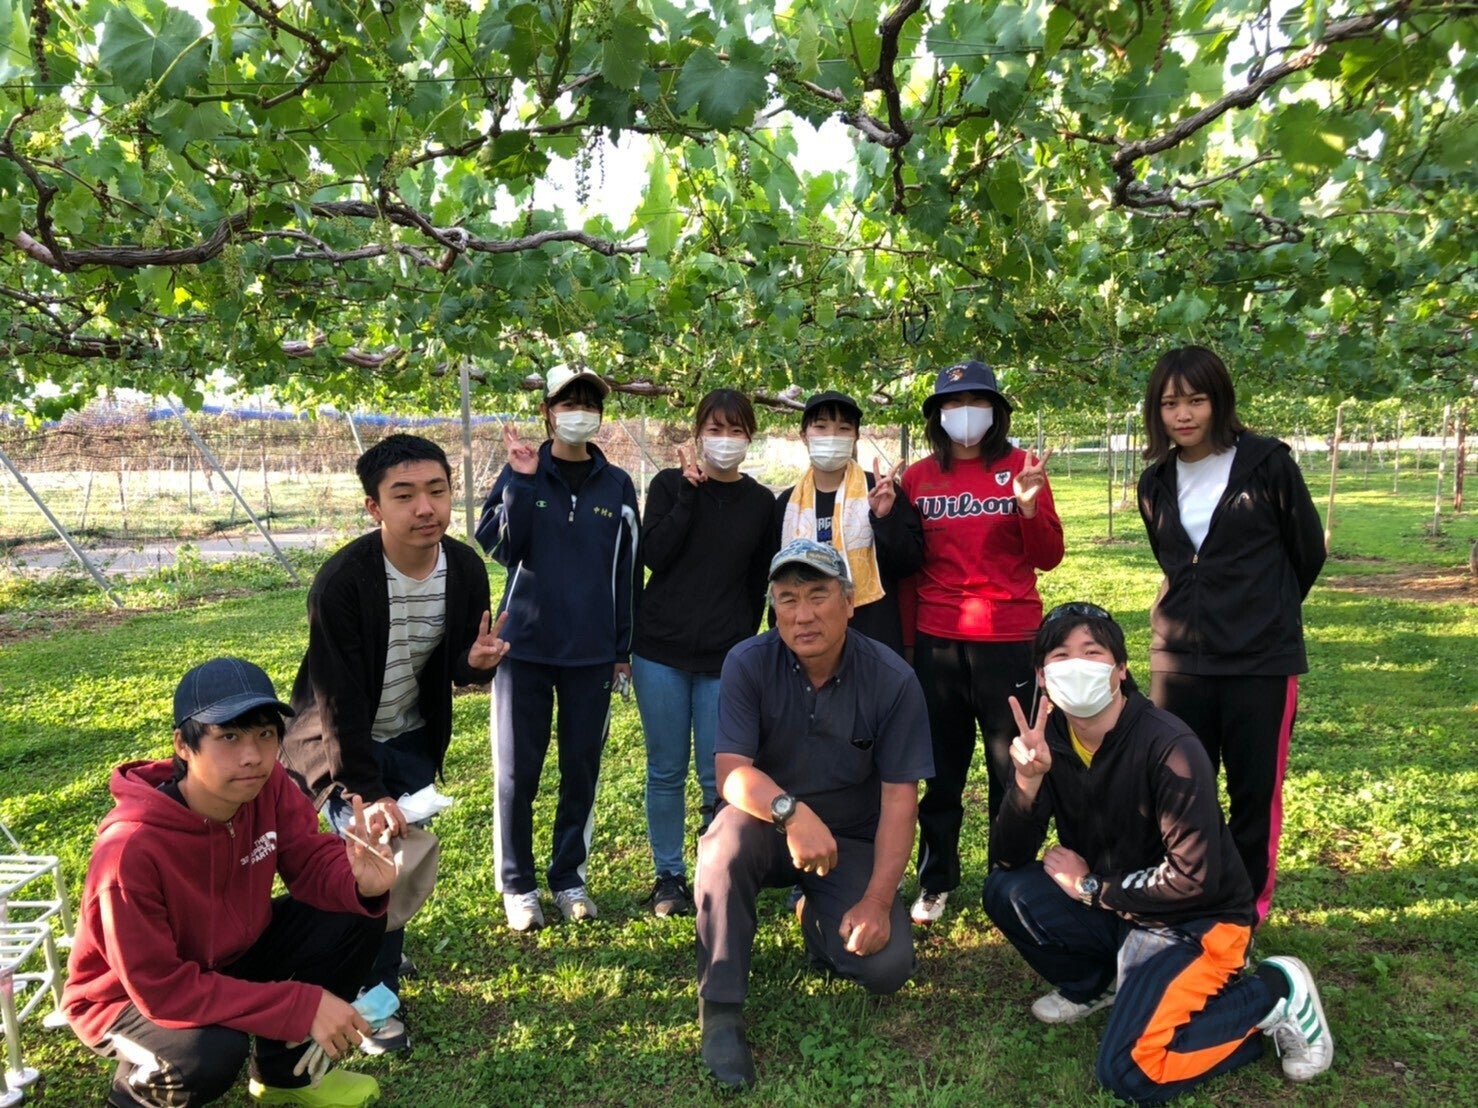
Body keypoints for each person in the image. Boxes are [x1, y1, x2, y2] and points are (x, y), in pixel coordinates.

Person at [984, 604, 1334, 1103]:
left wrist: (1090, 887)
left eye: (1092, 652)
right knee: (1006, 890)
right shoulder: (1049, 742)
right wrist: (1027, 781)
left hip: (1194, 919)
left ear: (1120, 670)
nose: (1076, 665)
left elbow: (1194, 879)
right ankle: (1099, 985)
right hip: (1122, 909)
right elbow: (1007, 857)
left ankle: (1274, 993)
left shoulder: (1170, 746)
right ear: (1042, 677)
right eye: (1060, 656)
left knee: (1130, 1071)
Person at [64, 658, 397, 1108]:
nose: (252, 756)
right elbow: (162, 989)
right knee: (206, 1054)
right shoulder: (129, 850)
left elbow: (306, 857)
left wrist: (359, 882)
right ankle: (131, 1099)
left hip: (229, 956)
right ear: (183, 745)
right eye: (229, 737)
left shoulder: (267, 784)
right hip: (129, 999)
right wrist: (298, 1004)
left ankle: (285, 1077)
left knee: (353, 912)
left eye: (265, 734)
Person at [281, 434, 506, 1052]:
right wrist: (365, 788)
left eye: (437, 490)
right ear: (374, 507)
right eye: (404, 495)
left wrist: (477, 664)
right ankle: (372, 1000)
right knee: (367, 868)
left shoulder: (464, 569)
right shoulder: (343, 582)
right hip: (338, 745)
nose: (425, 507)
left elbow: (455, 668)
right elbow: (336, 700)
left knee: (393, 871)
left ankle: (379, 949)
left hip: (410, 736)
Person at [694, 539, 934, 1089]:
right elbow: (731, 771)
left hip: (848, 840)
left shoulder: (892, 679)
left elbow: (900, 799)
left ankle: (814, 912)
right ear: (773, 609)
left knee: (887, 967)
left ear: (849, 602)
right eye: (787, 599)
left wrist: (877, 902)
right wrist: (790, 812)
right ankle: (720, 1011)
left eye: (818, 595)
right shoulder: (747, 662)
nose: (803, 615)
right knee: (723, 844)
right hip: (764, 824)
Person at [1137, 346, 1326, 923]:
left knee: (1253, 793)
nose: (1183, 414)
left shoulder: (1267, 464)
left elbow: (1307, 551)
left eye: (1196, 400)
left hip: (1258, 662)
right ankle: (1185, 896)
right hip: (1179, 661)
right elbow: (1175, 561)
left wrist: (1261, 612)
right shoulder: (1155, 481)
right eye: (1170, 403)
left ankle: (1244, 911)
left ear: (1219, 401)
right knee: (1177, 789)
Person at [476, 365, 641, 931]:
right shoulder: (521, 469)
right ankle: (518, 884)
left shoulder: (617, 485)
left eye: (589, 403)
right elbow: (501, 546)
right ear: (547, 412)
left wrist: (621, 649)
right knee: (516, 773)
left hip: (591, 654)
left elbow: (627, 572)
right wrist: (522, 483)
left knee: (581, 770)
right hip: (522, 648)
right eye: (568, 402)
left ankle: (569, 876)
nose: (580, 412)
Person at [899, 360, 1063, 926]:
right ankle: (936, 879)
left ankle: (1008, 874)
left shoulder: (1021, 468)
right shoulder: (918, 479)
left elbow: (1048, 556)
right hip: (939, 642)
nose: (963, 413)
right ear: (936, 415)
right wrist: (909, 646)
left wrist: (1027, 506)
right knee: (940, 773)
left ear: (996, 411)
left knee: (1010, 767)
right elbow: (908, 567)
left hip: (1008, 638)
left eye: (975, 401)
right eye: (950, 403)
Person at [631, 388, 776, 917]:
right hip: (660, 652)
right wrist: (688, 496)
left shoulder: (760, 503)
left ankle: (717, 868)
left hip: (725, 659)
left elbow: (759, 580)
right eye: (715, 429)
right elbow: (655, 555)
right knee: (665, 770)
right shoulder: (669, 486)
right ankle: (668, 875)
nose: (725, 440)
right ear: (697, 434)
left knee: (721, 774)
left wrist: (743, 642)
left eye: (736, 430)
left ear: (749, 438)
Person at [774, 389, 922, 655]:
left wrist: (885, 518)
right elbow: (778, 577)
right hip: (808, 640)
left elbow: (908, 563)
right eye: (821, 427)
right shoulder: (788, 504)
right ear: (804, 436)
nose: (832, 436)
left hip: (873, 637)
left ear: (855, 437)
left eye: (843, 428)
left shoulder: (880, 490)